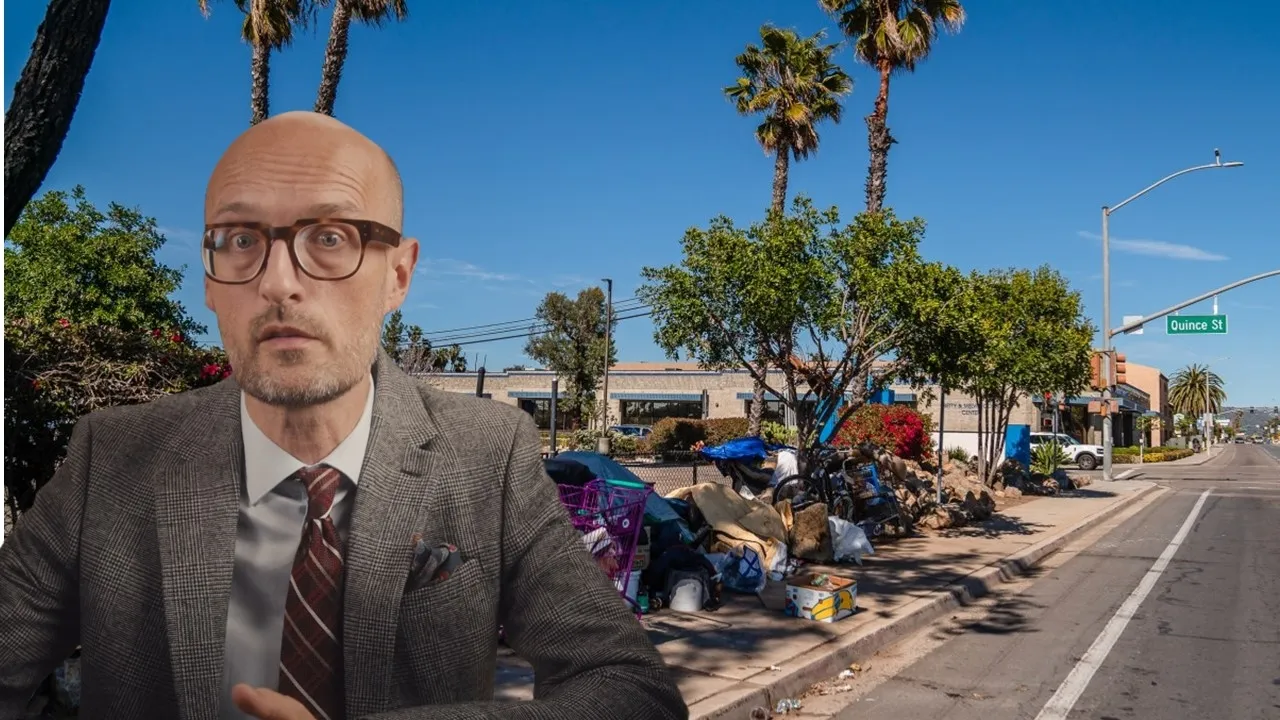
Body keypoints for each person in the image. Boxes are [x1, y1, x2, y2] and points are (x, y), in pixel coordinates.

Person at [0, 111, 687, 720]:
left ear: (399, 275)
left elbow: (632, 689)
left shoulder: (488, 455)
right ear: (209, 280)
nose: (278, 282)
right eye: (240, 240)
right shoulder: (113, 458)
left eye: (329, 237)